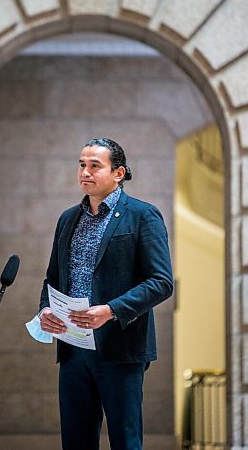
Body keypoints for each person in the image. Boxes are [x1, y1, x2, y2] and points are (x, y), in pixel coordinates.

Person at [39, 137, 173, 450]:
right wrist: (45, 310)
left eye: (94, 166)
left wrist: (110, 310)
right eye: (81, 164)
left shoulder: (142, 215)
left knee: (125, 442)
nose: (84, 172)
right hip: (73, 351)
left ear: (118, 173)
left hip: (120, 349)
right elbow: (52, 279)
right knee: (75, 442)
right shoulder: (67, 219)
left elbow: (161, 282)